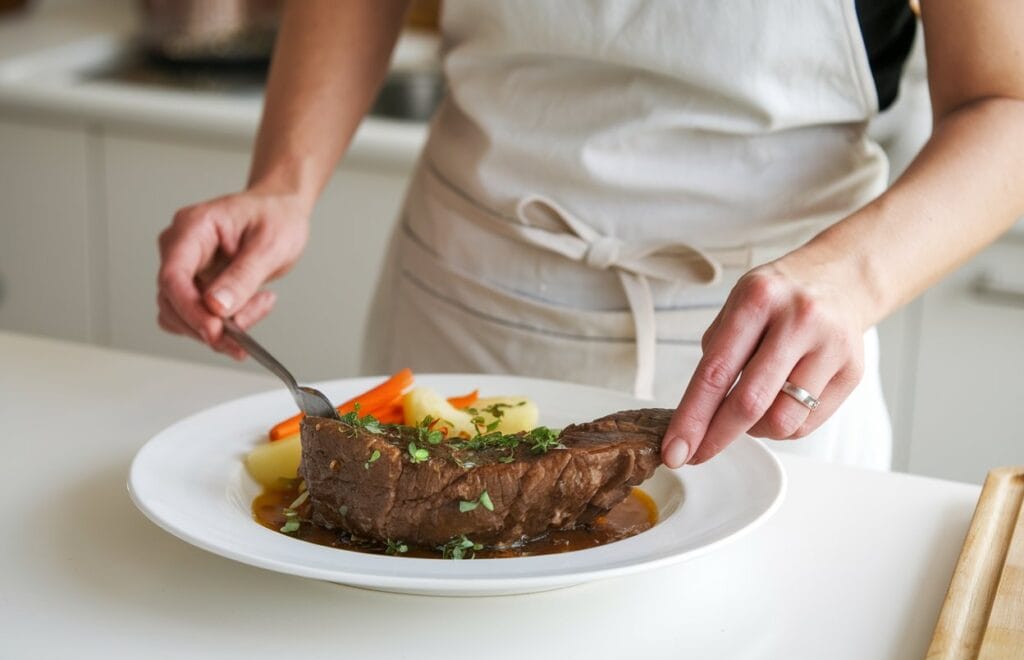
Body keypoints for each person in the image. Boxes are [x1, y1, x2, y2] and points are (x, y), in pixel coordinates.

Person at [156, 1, 1024, 471]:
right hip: (464, 310)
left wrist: (849, 278)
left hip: (764, 364)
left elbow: (1007, 103)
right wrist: (286, 179)